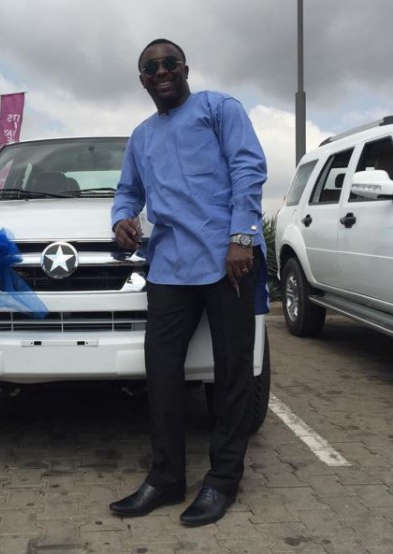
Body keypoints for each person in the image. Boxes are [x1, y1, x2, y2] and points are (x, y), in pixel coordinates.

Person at [109, 38, 268, 527]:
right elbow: (128, 190)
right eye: (151, 67)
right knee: (160, 372)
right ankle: (166, 478)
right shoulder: (141, 135)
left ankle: (222, 481)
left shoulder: (219, 108)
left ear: (184, 68)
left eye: (169, 63)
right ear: (142, 80)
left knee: (232, 374)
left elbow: (248, 168)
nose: (162, 71)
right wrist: (121, 219)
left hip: (229, 260)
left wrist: (241, 236)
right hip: (170, 267)